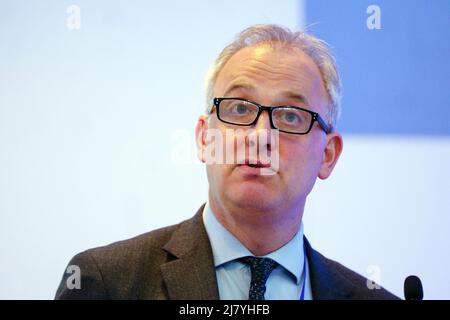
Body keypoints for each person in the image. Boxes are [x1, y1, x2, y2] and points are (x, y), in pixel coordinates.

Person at [55, 24, 398, 300]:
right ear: (204, 138)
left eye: (291, 116)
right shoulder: (106, 284)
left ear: (328, 155)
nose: (260, 135)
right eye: (239, 109)